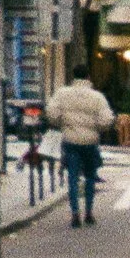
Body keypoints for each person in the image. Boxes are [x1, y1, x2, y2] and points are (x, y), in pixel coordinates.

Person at [48, 72, 111, 226]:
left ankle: (75, 213)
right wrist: (97, 129)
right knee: (90, 176)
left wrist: (62, 124)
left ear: (74, 77)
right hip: (90, 142)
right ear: (89, 77)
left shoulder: (62, 94)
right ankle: (89, 212)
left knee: (72, 177)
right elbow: (106, 119)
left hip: (70, 141)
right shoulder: (97, 97)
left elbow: (51, 113)